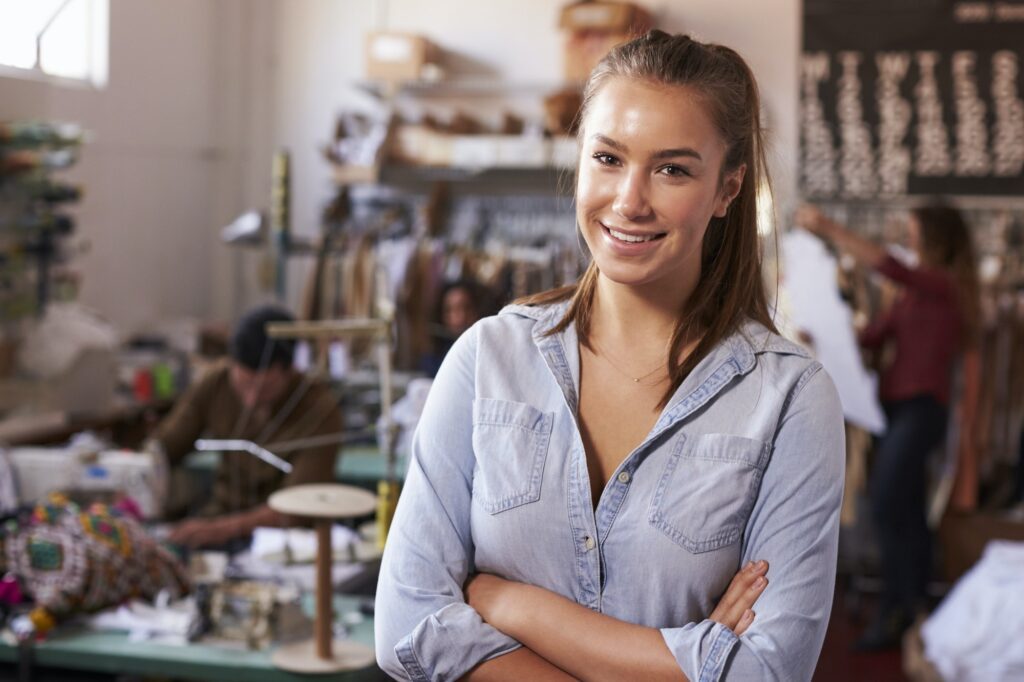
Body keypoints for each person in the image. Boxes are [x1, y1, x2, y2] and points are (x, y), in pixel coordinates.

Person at [376, 31, 845, 681]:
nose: (629, 201)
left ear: (728, 189)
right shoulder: (487, 358)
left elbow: (765, 673)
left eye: (673, 169)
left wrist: (509, 602)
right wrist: (688, 656)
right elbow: (406, 628)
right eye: (608, 159)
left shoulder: (791, 397)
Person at [797, 204, 979, 650]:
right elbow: (876, 335)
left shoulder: (943, 286)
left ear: (936, 237)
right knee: (907, 509)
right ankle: (915, 605)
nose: (908, 238)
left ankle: (895, 609)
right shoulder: (915, 293)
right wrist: (824, 331)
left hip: (921, 411)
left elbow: (887, 265)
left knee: (884, 501)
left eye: (915, 232)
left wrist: (828, 226)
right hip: (897, 411)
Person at [151, 305, 343, 549]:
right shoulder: (215, 382)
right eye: (243, 386)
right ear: (230, 364)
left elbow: (298, 508)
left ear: (288, 370)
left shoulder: (321, 411)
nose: (251, 400)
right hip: (217, 522)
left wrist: (219, 530)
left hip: (282, 542)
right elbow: (165, 447)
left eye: (264, 388)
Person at [418, 279, 488, 377]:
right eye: (453, 310)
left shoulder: (487, 352)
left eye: (467, 308)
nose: (461, 317)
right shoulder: (434, 358)